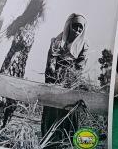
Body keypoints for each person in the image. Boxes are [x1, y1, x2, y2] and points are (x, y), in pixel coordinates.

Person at [40, 13, 88, 142]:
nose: (77, 30)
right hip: (56, 80)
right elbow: (51, 63)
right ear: (69, 26)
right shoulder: (58, 41)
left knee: (69, 110)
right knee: (53, 109)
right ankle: (50, 140)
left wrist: (72, 79)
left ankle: (66, 141)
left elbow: (80, 67)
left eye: (80, 28)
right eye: (75, 26)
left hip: (71, 82)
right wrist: (57, 79)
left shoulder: (83, 45)